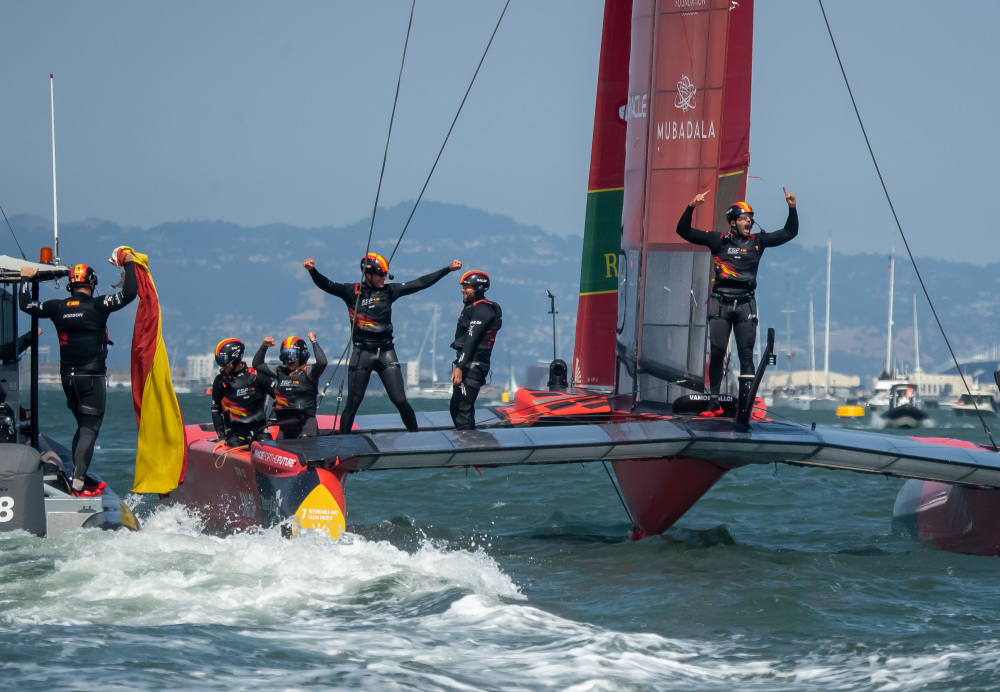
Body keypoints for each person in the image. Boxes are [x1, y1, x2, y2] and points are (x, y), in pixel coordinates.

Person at [304, 253, 462, 434]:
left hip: (386, 352)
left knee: (400, 400)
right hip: (362, 352)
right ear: (368, 274)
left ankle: (417, 438)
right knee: (352, 404)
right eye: (381, 274)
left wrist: (447, 269)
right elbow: (327, 284)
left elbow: (419, 283)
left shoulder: (389, 291)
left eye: (386, 274)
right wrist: (312, 271)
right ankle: (342, 444)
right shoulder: (352, 291)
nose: (384, 278)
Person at [19, 256, 137, 495]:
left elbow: (26, 305)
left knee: (82, 425)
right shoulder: (99, 305)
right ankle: (78, 480)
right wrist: (130, 264)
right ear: (92, 284)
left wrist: (24, 279)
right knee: (89, 428)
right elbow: (130, 293)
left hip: (68, 379)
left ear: (70, 286)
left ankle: (76, 473)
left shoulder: (57, 307)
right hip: (91, 378)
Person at [677, 188, 798, 415]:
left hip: (746, 305)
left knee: (746, 353)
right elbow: (683, 230)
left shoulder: (758, 241)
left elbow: (790, 232)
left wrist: (792, 208)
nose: (749, 221)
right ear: (732, 222)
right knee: (717, 350)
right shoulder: (718, 240)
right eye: (744, 217)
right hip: (721, 304)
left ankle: (745, 405)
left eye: (751, 217)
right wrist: (691, 206)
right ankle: (713, 401)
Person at [449, 270, 502, 430]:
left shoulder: (483, 309)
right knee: (456, 407)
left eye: (466, 286)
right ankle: (465, 442)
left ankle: (468, 449)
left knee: (462, 409)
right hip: (468, 363)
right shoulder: (473, 308)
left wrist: (459, 365)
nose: (462, 289)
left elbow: (472, 339)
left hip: (473, 364)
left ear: (478, 288)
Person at [252, 333, 326, 439]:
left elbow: (322, 362)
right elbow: (257, 364)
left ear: (301, 355)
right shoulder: (279, 371)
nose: (288, 359)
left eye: (291, 355)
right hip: (285, 425)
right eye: (285, 354)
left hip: (305, 425)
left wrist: (313, 341)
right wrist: (264, 347)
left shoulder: (309, 372)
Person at [210, 338, 273, 447]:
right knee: (235, 442)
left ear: (235, 357)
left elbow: (280, 397)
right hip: (235, 434)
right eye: (218, 361)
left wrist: (273, 418)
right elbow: (216, 410)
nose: (221, 365)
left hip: (260, 431)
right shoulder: (220, 381)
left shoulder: (257, 375)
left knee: (268, 447)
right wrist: (221, 437)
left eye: (223, 360)